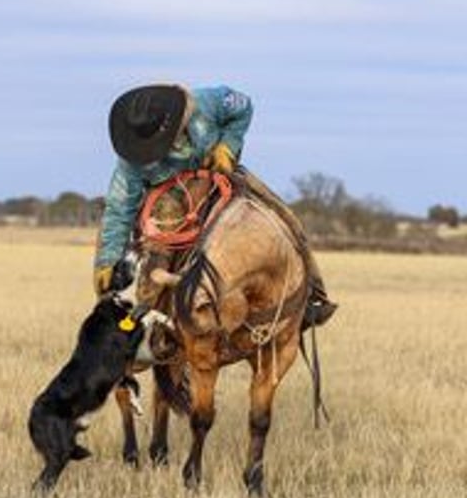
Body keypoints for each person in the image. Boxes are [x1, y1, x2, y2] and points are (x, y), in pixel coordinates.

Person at [93, 83, 336, 327]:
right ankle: (142, 320)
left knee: (282, 214)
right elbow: (119, 207)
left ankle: (311, 296)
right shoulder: (131, 158)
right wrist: (107, 259)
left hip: (222, 173)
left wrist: (227, 146)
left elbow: (243, 106)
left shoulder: (208, 101)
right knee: (155, 259)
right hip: (170, 198)